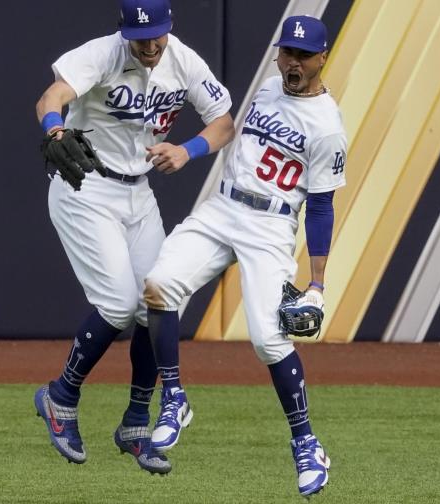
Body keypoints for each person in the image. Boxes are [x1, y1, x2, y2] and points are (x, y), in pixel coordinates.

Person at [142, 15, 346, 496]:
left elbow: (320, 206)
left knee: (268, 341)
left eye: (303, 56)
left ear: (322, 58)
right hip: (224, 207)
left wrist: (316, 283)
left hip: (271, 225)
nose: (292, 63)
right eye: (287, 53)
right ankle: (173, 397)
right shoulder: (270, 89)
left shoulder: (328, 127)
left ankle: (306, 443)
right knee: (158, 284)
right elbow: (229, 130)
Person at [32, 0, 234, 475]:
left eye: (158, 34)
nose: (151, 45)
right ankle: (60, 397)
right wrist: (56, 130)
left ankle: (136, 422)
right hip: (86, 186)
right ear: (123, 31)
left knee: (159, 301)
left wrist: (188, 150)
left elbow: (224, 122)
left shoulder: (183, 59)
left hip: (138, 193)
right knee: (120, 305)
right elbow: (50, 98)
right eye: (141, 37)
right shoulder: (102, 54)